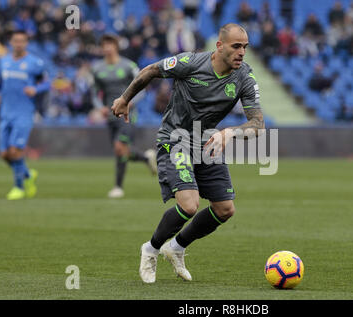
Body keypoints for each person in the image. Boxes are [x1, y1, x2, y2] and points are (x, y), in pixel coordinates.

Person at [111, 23, 264, 283]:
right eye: (236, 46)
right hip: (175, 139)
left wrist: (230, 133)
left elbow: (258, 124)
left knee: (225, 209)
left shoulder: (245, 78)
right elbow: (151, 70)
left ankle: (177, 247)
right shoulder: (191, 62)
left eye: (245, 47)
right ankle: (151, 249)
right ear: (219, 46)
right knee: (190, 205)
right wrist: (125, 99)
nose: (241, 52)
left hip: (206, 142)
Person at [91, 34, 157, 199]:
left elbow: (143, 87)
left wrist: (130, 101)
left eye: (110, 44)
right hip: (111, 115)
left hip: (128, 114)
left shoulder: (129, 66)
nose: (107, 48)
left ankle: (118, 187)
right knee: (121, 150)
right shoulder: (97, 68)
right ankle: (146, 157)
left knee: (120, 147)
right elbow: (94, 93)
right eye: (104, 45)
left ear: (116, 46)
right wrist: (100, 108)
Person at [0, 30, 49, 200]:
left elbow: (47, 82)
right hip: (5, 112)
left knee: (15, 151)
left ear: (26, 43)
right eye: (15, 40)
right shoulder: (3, 62)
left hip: (24, 113)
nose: (18, 44)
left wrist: (36, 89)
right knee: (4, 154)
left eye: (22, 41)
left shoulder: (35, 63)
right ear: (11, 42)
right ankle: (28, 174)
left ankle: (18, 187)